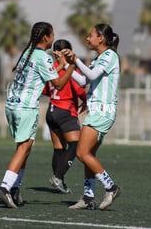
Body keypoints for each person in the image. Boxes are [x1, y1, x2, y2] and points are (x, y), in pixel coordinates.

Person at [0, 22, 76, 208]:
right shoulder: (43, 57)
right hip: (26, 107)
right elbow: (59, 85)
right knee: (24, 148)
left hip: (13, 105)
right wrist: (70, 66)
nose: (53, 37)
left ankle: (15, 189)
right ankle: (4, 188)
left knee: (24, 149)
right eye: (52, 34)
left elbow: (43, 75)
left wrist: (61, 65)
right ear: (46, 37)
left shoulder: (28, 53)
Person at [63, 23, 122, 210]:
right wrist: (67, 64)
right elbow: (82, 80)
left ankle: (111, 187)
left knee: (81, 153)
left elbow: (91, 74)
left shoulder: (110, 56)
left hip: (102, 112)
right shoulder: (98, 58)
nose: (88, 39)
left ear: (101, 39)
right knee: (89, 155)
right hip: (96, 112)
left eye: (91, 35)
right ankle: (88, 197)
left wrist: (76, 60)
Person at [42, 39, 86, 194]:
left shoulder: (50, 68)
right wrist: (86, 100)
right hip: (65, 111)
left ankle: (59, 182)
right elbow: (80, 89)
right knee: (76, 145)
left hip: (51, 111)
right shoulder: (69, 70)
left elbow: (45, 90)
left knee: (59, 149)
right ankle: (58, 177)